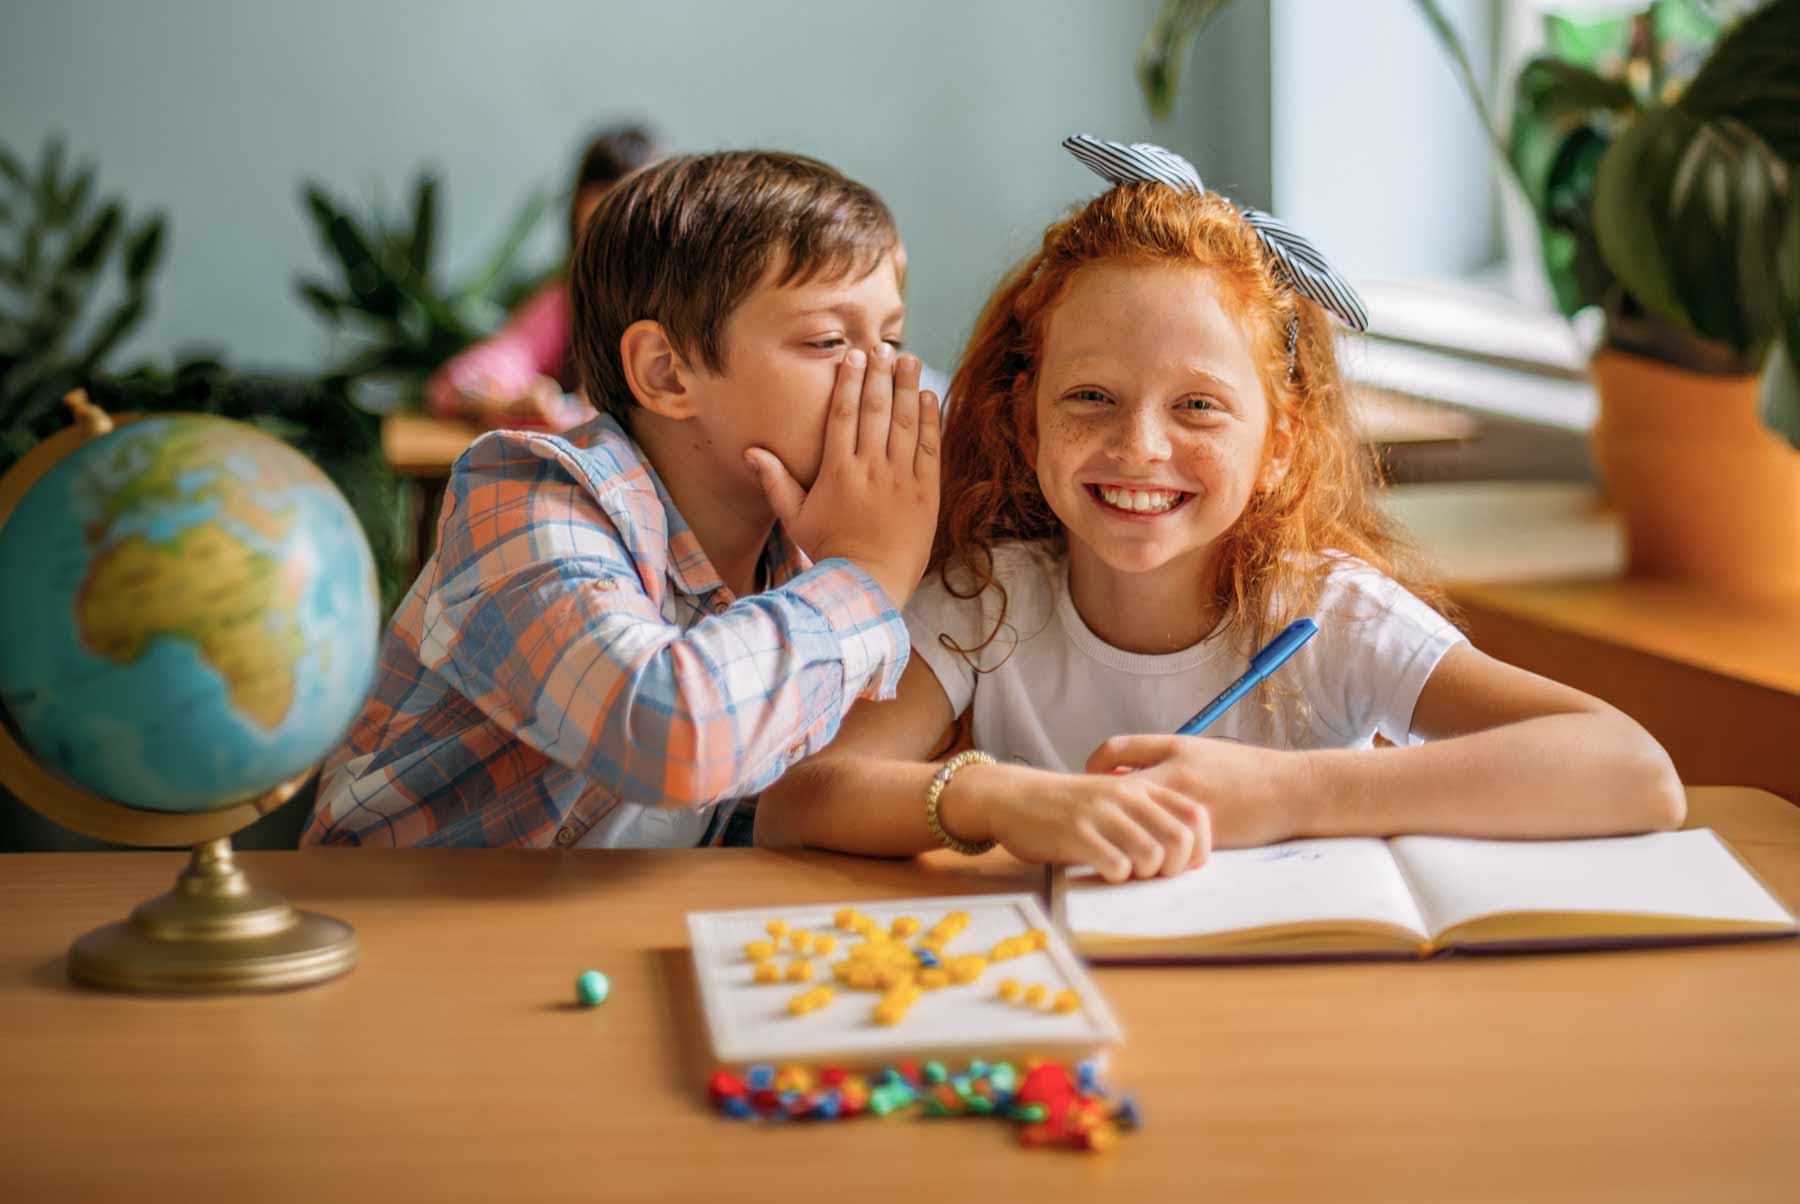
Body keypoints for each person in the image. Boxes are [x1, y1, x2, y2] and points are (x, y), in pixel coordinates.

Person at [754, 135, 1684, 882]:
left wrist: (1291, 793)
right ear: (1025, 422)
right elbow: (801, 801)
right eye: (1090, 398)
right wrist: (996, 800)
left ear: (1279, 445)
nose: (1139, 448)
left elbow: (1630, 769)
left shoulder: (1326, 614)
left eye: (1197, 406)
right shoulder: (989, 601)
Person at [303, 150, 938, 848]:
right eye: (828, 340)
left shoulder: (799, 540)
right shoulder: (527, 500)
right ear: (667, 373)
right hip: (401, 933)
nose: (886, 377)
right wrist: (864, 577)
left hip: (609, 930)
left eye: (891, 339)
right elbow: (670, 736)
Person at [424, 123, 661, 431]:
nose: (611, 256)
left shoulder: (686, 310)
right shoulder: (564, 305)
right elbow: (460, 381)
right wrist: (509, 400)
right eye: (594, 235)